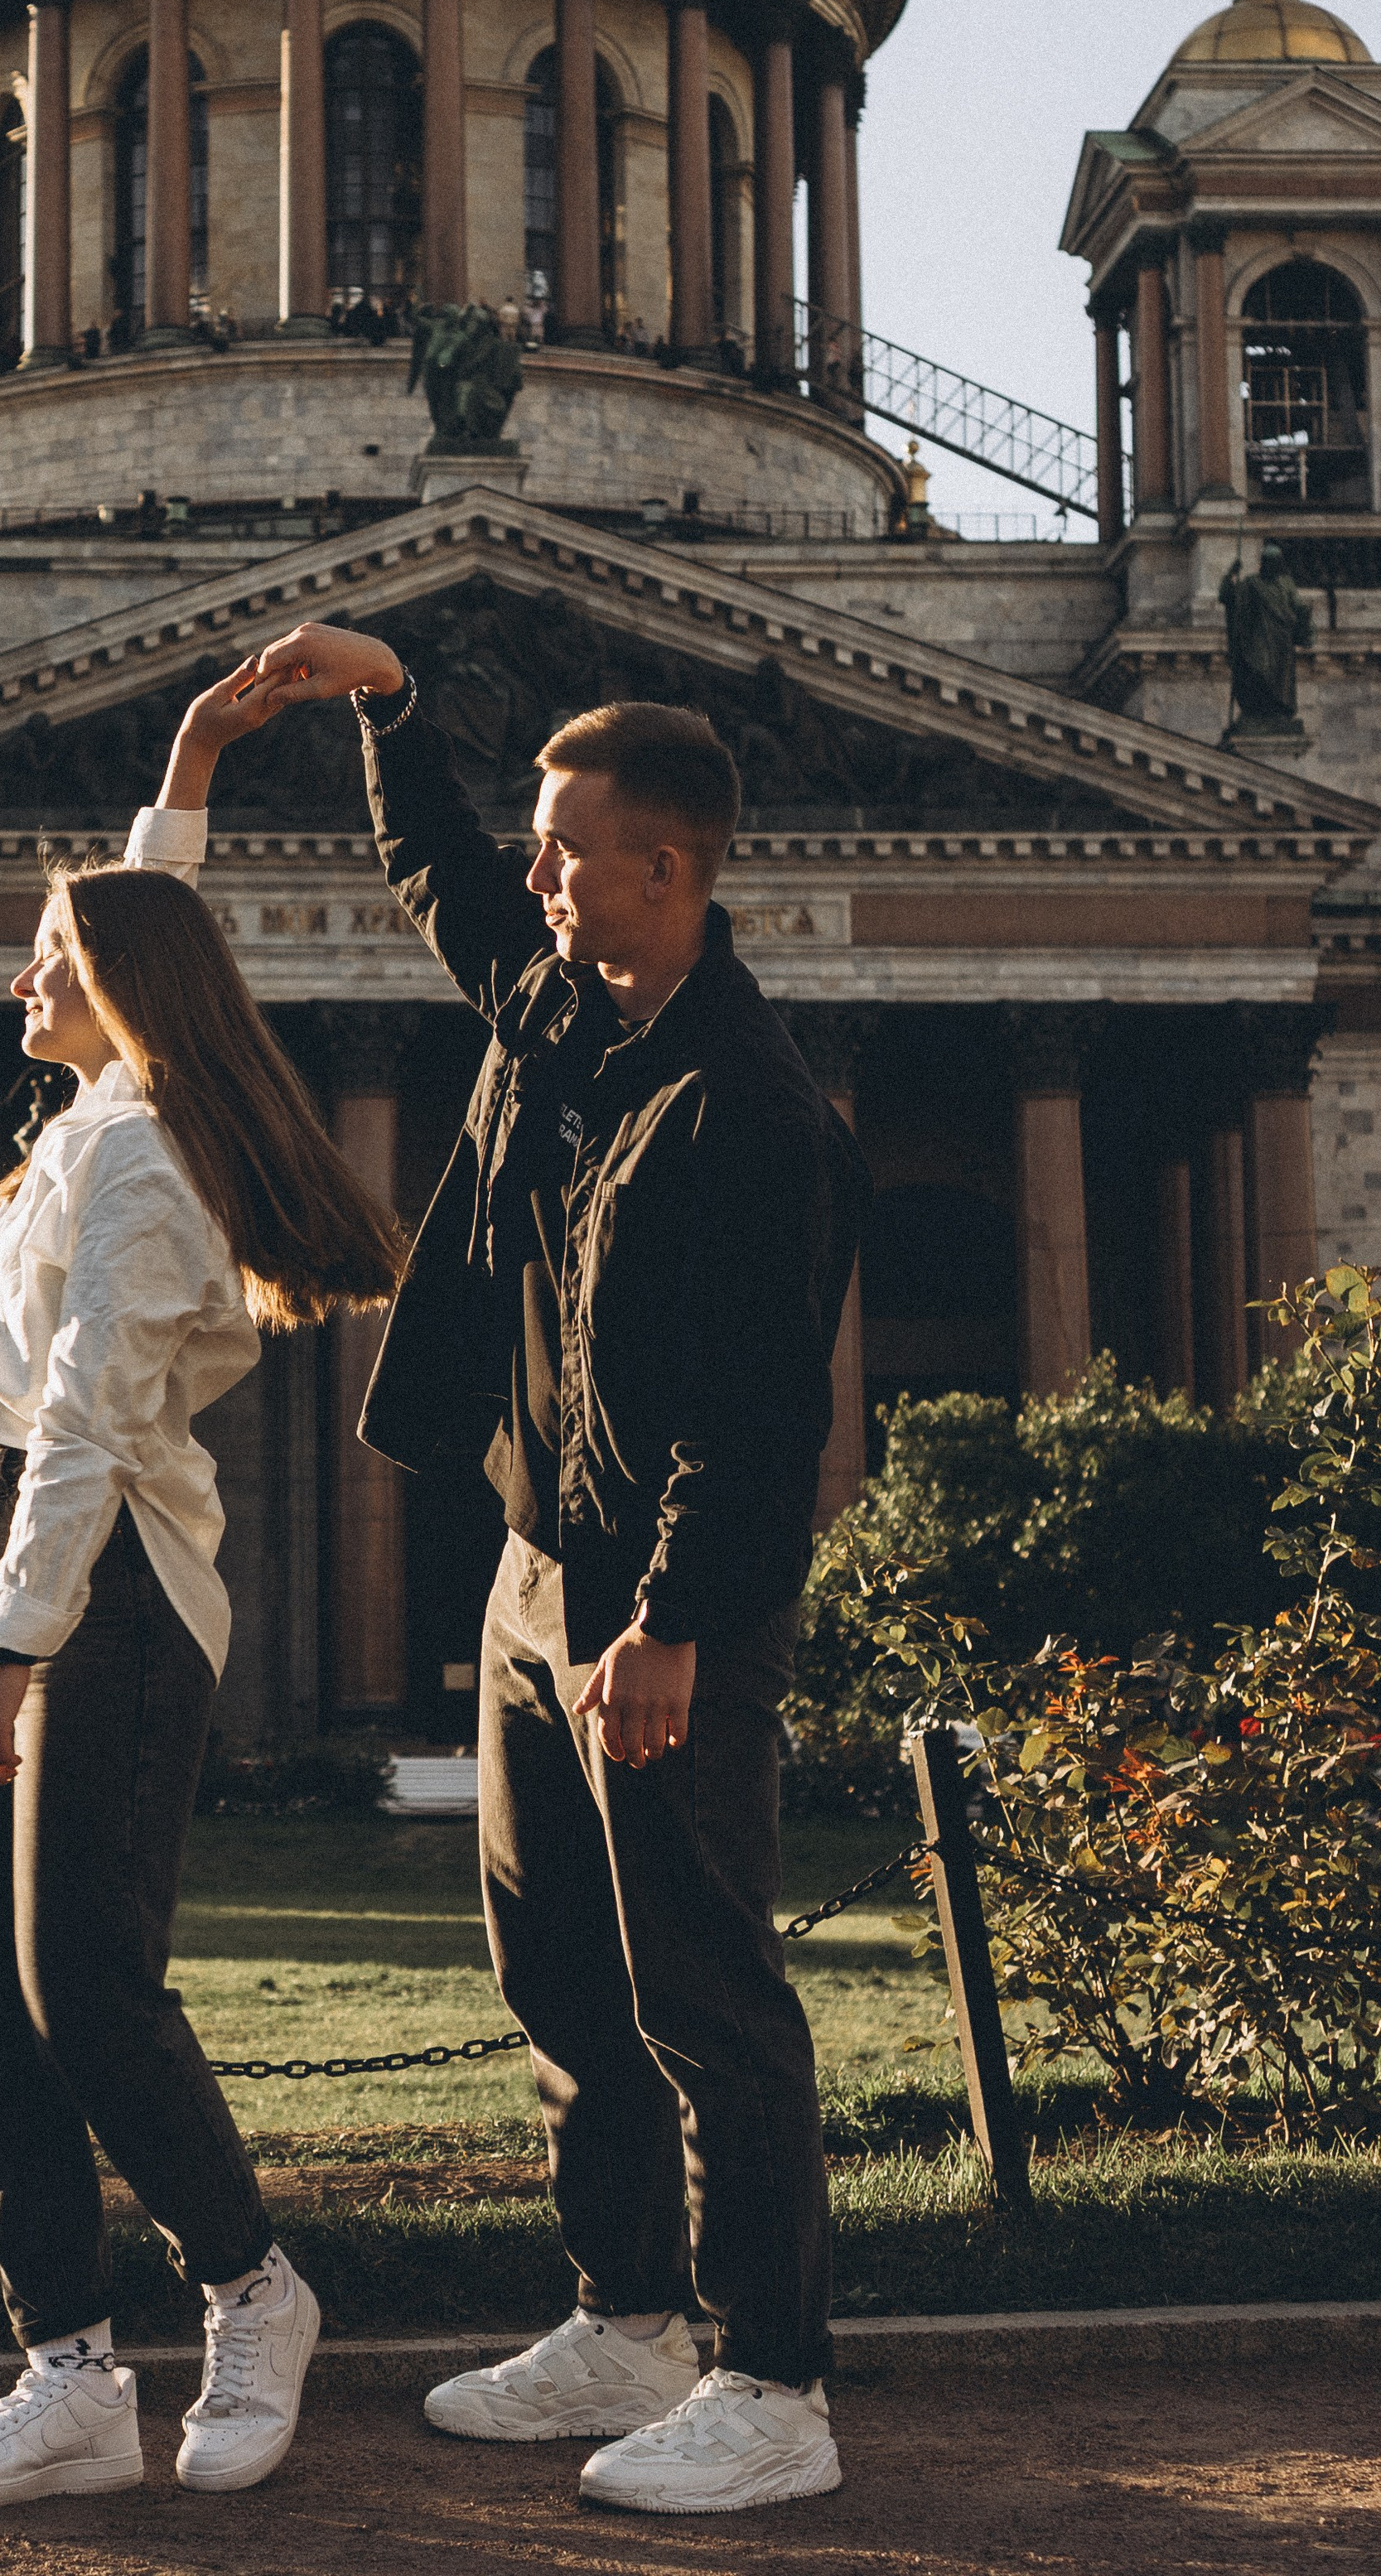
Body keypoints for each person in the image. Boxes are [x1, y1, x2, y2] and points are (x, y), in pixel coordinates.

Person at [245, 622, 870, 2519]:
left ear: (664, 869)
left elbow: (759, 1415)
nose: (534, 873)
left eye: (566, 846)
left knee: (702, 1990)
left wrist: (670, 1623)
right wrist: (388, 711)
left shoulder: (751, 1109)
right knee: (561, 1980)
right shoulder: (556, 1011)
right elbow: (436, 872)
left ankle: (771, 2380)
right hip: (536, 1570)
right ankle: (623, 2319)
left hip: (655, 1606)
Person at [0, 657, 403, 2517]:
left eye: (44, 954)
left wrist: (10, 1655)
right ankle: (67, 2376)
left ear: (102, 989)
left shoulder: (140, 1164)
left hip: (85, 1582)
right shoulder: (114, 1099)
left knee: (83, 1987)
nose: (18, 974)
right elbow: (146, 908)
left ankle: (253, 2291)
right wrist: (192, 757)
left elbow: (93, 1435)